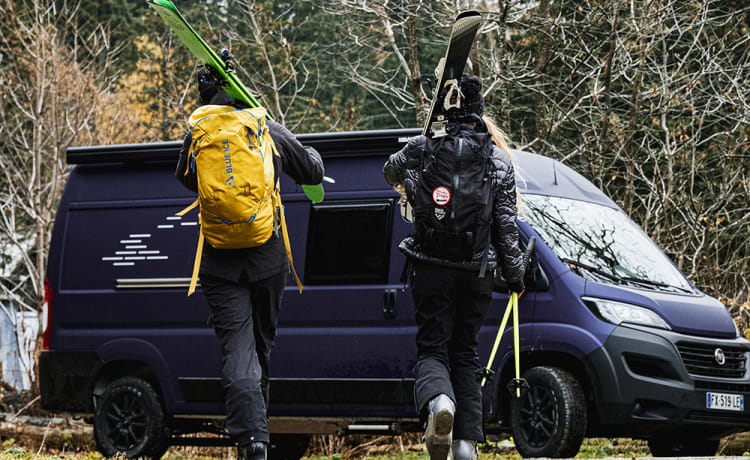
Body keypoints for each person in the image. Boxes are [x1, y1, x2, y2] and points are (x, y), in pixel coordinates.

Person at [176, 68, 324, 460]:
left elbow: (186, 180)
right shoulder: (264, 128)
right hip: (267, 258)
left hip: (218, 264)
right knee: (261, 349)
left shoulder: (199, 133)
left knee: (238, 352)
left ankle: (252, 442)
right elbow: (313, 172)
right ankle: (257, 437)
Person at [383, 74, 525, 460]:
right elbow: (506, 227)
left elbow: (389, 171)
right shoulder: (497, 160)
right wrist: (515, 277)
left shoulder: (423, 148)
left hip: (430, 267)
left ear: (445, 114)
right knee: (465, 352)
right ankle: (464, 445)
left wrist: (423, 150)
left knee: (433, 349)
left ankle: (439, 402)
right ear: (480, 115)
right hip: (477, 271)